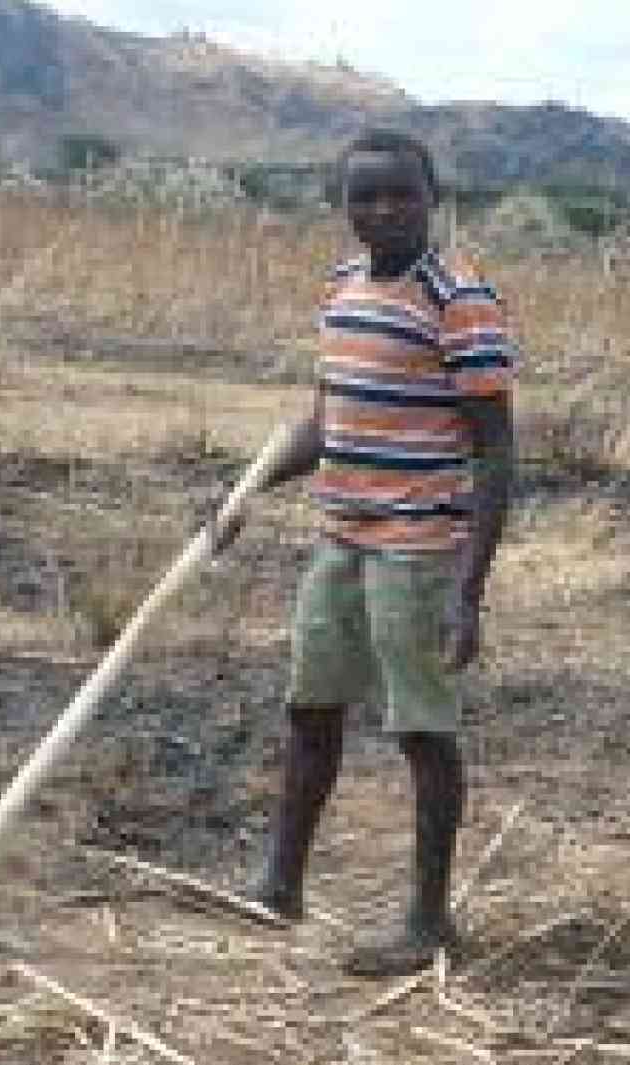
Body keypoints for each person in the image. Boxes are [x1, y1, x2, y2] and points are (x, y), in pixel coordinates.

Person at [207, 128, 516, 977]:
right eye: (364, 197)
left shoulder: (460, 300)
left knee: (422, 729)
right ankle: (280, 883)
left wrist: (470, 589)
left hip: (418, 550)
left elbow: (496, 452)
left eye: (400, 194)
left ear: (433, 197)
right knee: (310, 709)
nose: (382, 209)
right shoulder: (343, 289)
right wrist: (243, 493)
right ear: (343, 207)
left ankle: (428, 924)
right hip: (339, 539)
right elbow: (324, 426)